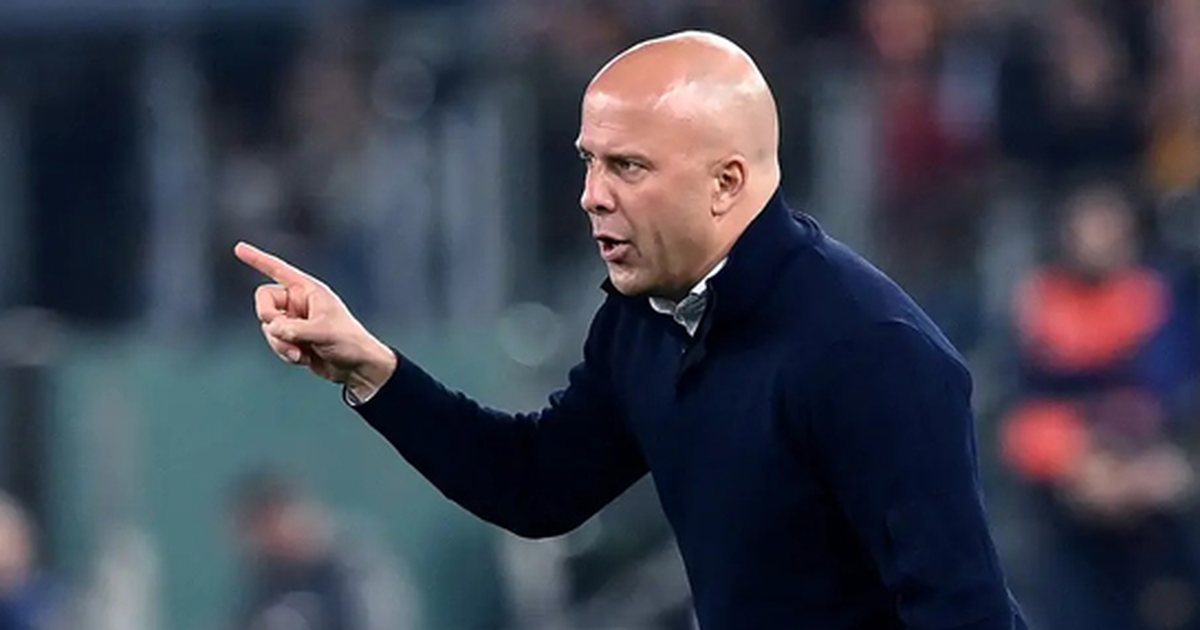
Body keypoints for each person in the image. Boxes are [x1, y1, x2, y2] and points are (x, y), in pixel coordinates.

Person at [235, 31, 1026, 629]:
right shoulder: (643, 317)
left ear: (726, 184)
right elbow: (537, 485)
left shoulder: (871, 351)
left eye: (628, 167)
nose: (591, 195)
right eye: (590, 161)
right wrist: (369, 368)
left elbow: (963, 614)